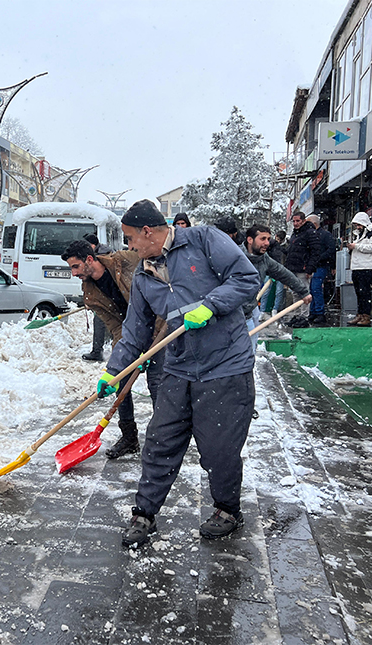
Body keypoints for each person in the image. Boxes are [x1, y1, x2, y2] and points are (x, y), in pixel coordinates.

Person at [98, 199, 260, 547]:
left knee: (219, 448)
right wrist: (113, 373)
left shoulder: (203, 240)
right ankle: (144, 514)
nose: (129, 247)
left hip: (225, 364)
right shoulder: (143, 276)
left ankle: (228, 510)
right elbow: (134, 331)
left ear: (147, 231)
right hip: (179, 366)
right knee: (160, 442)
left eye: (130, 239)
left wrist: (211, 305)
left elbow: (247, 278)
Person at [62, 239, 164, 459]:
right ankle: (129, 438)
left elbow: (158, 295)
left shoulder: (126, 261)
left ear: (89, 259)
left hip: (160, 329)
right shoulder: (90, 292)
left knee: (159, 388)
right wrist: (124, 353)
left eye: (75, 266)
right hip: (130, 336)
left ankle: (163, 441)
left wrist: (152, 343)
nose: (73, 273)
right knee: (118, 382)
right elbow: (115, 326)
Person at [242, 224, 311, 351]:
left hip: (248, 313)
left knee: (248, 353)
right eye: (262, 239)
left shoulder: (264, 260)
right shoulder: (234, 256)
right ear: (250, 240)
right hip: (229, 314)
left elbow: (283, 273)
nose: (267, 243)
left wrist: (303, 291)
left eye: (268, 239)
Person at [80, 233, 114, 361]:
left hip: (108, 297)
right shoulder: (96, 254)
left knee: (102, 322)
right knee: (105, 323)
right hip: (102, 297)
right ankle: (103, 350)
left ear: (92, 245)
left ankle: (98, 352)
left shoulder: (102, 257)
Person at [284, 211, 321, 327]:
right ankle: (297, 315)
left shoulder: (309, 233)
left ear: (304, 221)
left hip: (303, 268)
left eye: (297, 221)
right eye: (294, 221)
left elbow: (315, 252)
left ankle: (304, 317)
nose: (295, 223)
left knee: (304, 293)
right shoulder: (296, 234)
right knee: (296, 293)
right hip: (295, 267)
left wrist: (310, 268)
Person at [347, 211, 372, 327]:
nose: (358, 227)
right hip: (357, 266)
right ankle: (360, 314)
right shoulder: (359, 235)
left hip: (367, 267)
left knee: (365, 293)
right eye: (356, 225)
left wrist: (356, 246)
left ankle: (366, 315)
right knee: (359, 293)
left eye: (359, 225)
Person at [306, 214, 335, 325]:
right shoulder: (320, 235)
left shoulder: (324, 235)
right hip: (317, 265)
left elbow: (331, 250)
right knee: (314, 289)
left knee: (316, 288)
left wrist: (319, 258)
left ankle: (319, 312)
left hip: (320, 265)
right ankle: (314, 311)